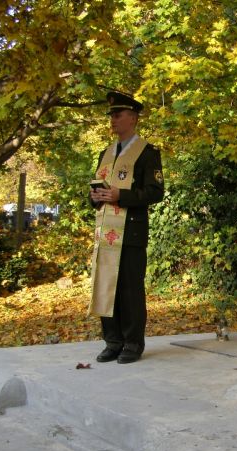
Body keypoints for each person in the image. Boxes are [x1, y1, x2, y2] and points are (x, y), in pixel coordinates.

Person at [88, 91, 164, 364]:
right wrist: (95, 197)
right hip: (105, 233)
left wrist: (122, 195)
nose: (113, 120)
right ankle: (113, 342)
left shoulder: (147, 153)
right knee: (105, 286)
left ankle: (132, 343)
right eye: (111, 115)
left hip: (131, 231)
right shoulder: (105, 153)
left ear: (133, 118)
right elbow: (96, 192)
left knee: (130, 290)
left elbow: (155, 192)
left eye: (118, 115)